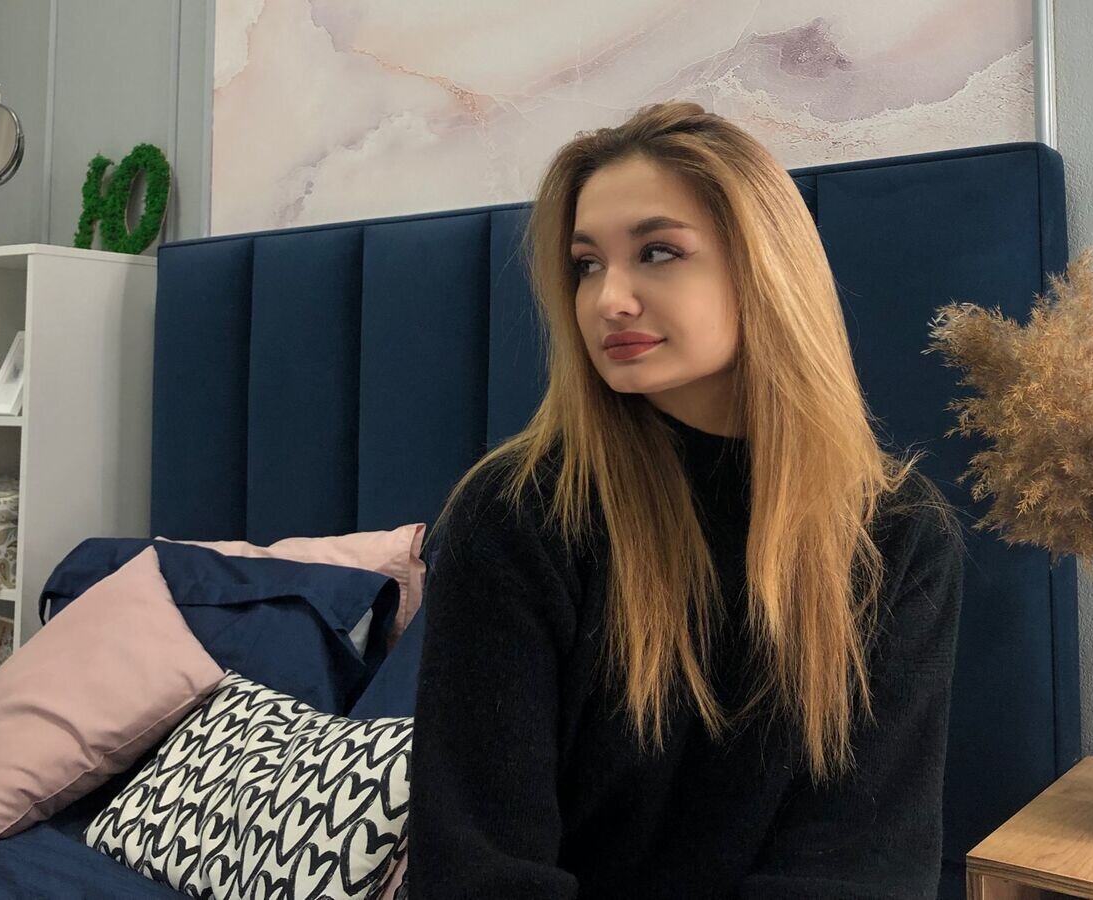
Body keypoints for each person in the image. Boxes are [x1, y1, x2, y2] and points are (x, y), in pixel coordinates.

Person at [405, 100, 966, 899]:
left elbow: (862, 870)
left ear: (763, 267)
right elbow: (481, 871)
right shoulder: (517, 514)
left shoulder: (897, 534)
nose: (608, 299)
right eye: (586, 264)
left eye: (658, 252)